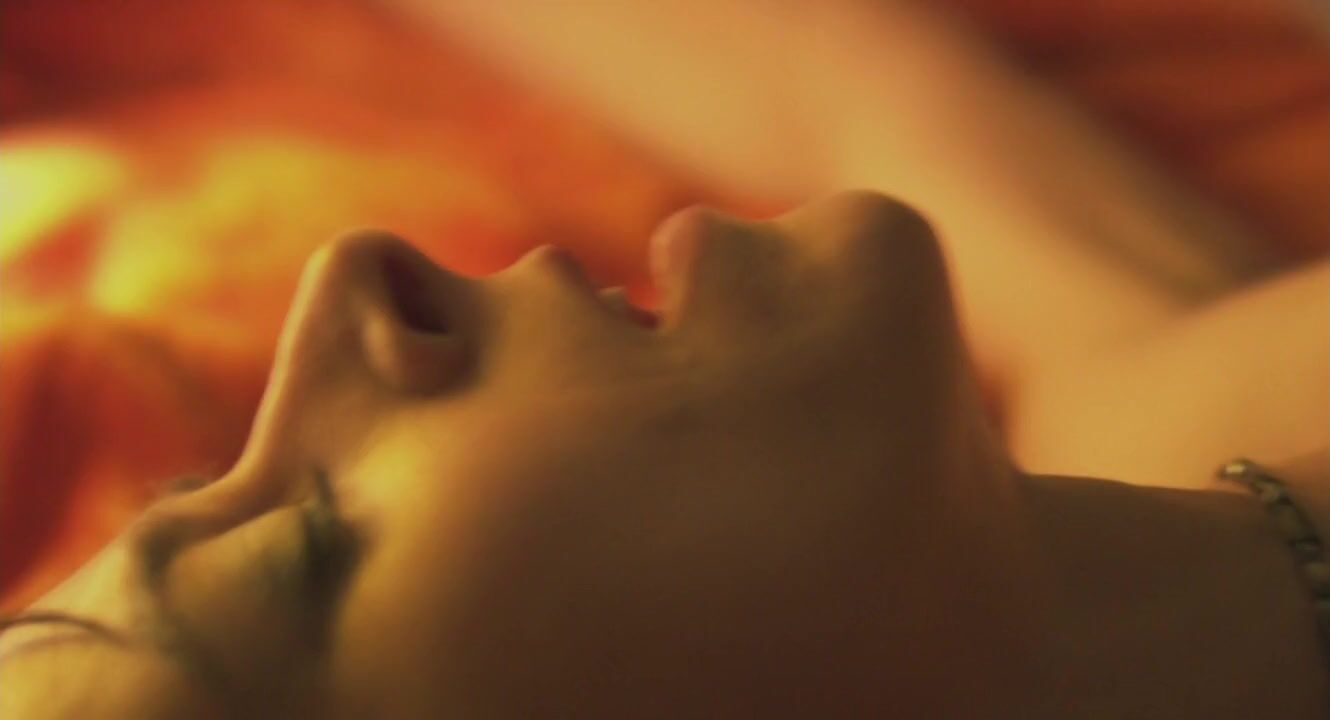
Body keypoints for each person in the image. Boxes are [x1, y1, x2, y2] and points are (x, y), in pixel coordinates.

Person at [3, 1, 1328, 718]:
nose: (350, 282)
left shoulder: (1153, 421)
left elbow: (847, 94)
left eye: (204, 481)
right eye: (307, 544)